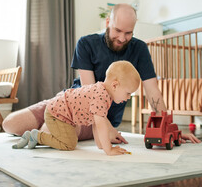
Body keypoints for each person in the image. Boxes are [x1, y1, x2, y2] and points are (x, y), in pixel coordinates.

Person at [3, 3, 201, 144]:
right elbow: (89, 92)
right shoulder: (86, 43)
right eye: (118, 30)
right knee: (10, 124)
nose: (122, 38)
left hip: (97, 117)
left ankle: (45, 134)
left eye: (128, 33)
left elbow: (153, 91)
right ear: (108, 22)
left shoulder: (139, 49)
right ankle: (47, 131)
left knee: (48, 131)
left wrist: (166, 126)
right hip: (72, 102)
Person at [12, 61, 140, 156]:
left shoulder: (103, 92)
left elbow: (96, 123)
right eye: (128, 93)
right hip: (58, 113)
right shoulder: (101, 96)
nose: (128, 97)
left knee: (70, 139)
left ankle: (38, 136)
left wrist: (101, 145)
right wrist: (109, 149)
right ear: (115, 85)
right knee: (69, 144)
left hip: (62, 112)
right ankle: (37, 136)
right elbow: (101, 125)